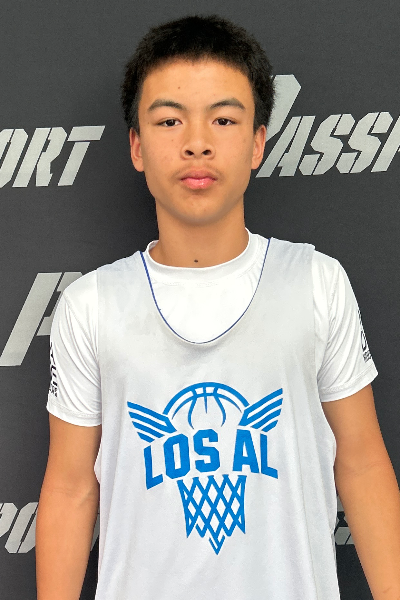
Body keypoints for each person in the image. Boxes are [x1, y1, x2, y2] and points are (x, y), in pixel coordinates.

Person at [35, 14, 400, 600]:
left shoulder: (316, 281)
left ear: (257, 143)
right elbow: (72, 488)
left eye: (224, 119)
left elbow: (360, 464)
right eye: (169, 120)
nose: (197, 142)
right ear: (136, 146)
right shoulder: (91, 305)